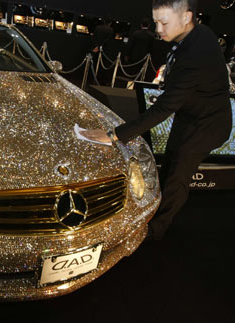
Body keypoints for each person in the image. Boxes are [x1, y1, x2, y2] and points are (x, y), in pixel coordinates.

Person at [79, 0, 232, 240]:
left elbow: (163, 109)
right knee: (169, 164)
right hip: (191, 116)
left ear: (186, 18)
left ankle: (154, 231)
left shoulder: (196, 54)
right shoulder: (197, 33)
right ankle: (153, 211)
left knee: (176, 176)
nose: (158, 30)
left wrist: (114, 135)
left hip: (206, 125)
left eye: (164, 22)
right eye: (156, 22)